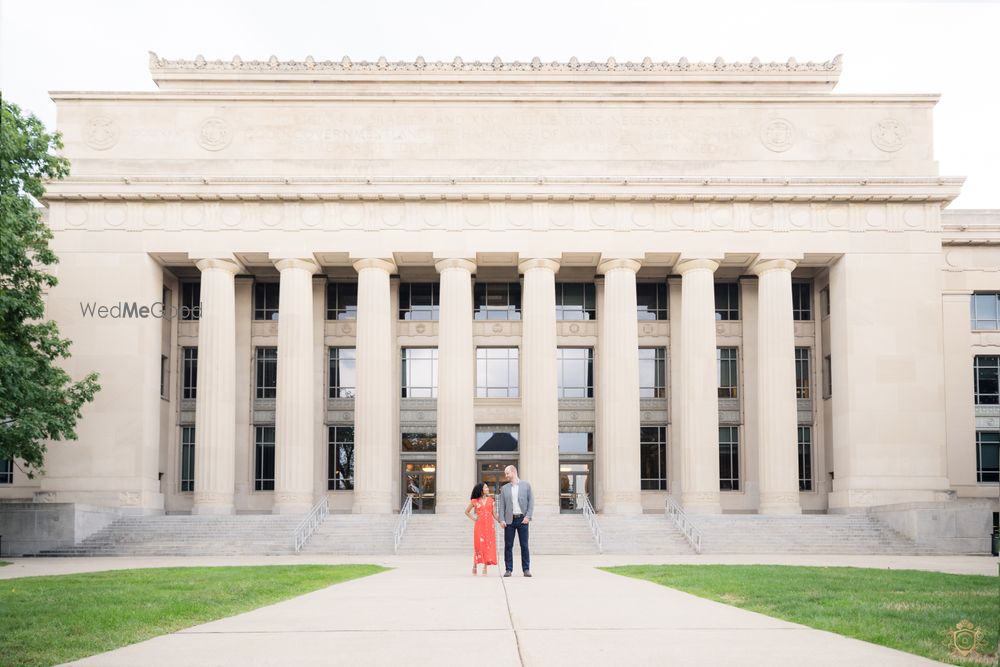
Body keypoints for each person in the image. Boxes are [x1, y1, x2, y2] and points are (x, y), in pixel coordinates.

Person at [496, 464, 533, 577]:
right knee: (508, 546)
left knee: (524, 545)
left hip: (522, 520)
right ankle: (508, 569)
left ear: (513, 472)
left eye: (507, 473)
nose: (506, 475)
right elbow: (501, 505)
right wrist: (501, 520)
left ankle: (526, 569)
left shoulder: (526, 485)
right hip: (509, 521)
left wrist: (528, 516)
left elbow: (531, 502)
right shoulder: (505, 488)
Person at [464, 482, 497, 575]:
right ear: (481, 490)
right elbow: (466, 512)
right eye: (486, 487)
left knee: (487, 546)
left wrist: (500, 520)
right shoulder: (475, 501)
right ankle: (475, 565)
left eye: (487, 487)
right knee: (478, 546)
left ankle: (485, 567)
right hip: (479, 526)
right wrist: (474, 519)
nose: (487, 489)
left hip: (490, 527)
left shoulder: (491, 500)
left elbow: (494, 514)